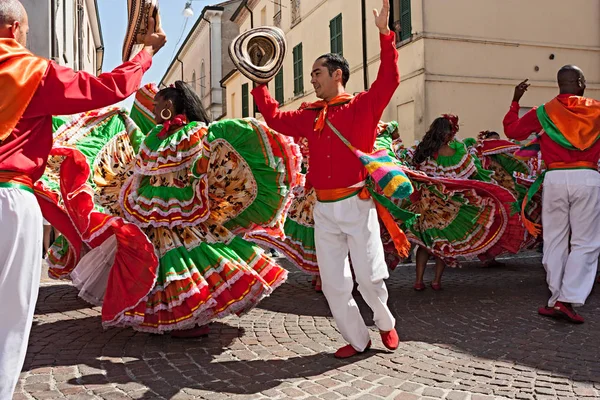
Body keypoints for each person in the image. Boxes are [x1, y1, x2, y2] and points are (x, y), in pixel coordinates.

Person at [0, 0, 166, 397]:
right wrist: (146, 52)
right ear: (18, 28)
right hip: (9, 197)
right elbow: (107, 88)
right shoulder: (30, 70)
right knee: (8, 316)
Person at [48, 81, 300, 337]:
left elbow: (201, 165)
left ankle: (194, 316)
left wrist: (197, 181)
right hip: (153, 210)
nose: (154, 111)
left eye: (157, 106)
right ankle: (188, 317)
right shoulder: (154, 138)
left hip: (187, 210)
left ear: (169, 106)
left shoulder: (194, 132)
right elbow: (141, 170)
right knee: (167, 265)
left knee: (185, 263)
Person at [252, 0, 400, 358]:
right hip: (324, 207)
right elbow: (272, 117)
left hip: (357, 203)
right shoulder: (308, 115)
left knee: (369, 277)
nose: (311, 78)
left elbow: (390, 79)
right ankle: (357, 339)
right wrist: (259, 82)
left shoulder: (363, 105)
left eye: (317, 72)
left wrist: (384, 36)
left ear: (337, 74)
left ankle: (385, 323)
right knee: (334, 282)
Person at [504, 67, 600, 323]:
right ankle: (566, 299)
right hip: (588, 176)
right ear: (580, 82)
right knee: (585, 242)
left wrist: (515, 102)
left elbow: (512, 131)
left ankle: (556, 296)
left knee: (555, 239)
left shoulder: (543, 112)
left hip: (555, 178)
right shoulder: (597, 110)